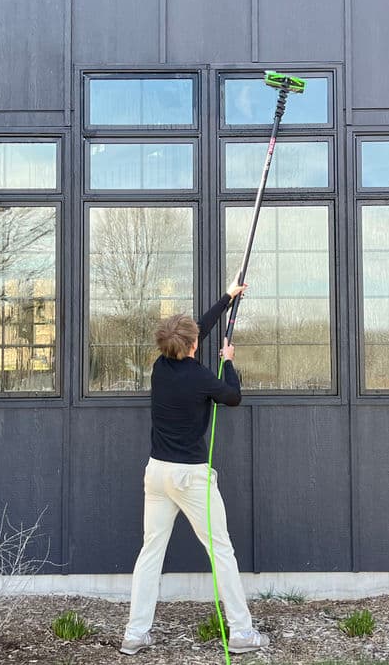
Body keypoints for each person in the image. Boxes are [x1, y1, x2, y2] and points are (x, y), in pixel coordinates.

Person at [120, 279, 269, 656]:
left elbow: (197, 328)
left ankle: (135, 634)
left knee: (150, 552)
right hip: (190, 478)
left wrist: (227, 297)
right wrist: (228, 361)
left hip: (157, 474)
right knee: (221, 551)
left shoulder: (159, 367)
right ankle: (241, 632)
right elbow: (232, 397)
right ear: (191, 346)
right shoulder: (202, 377)